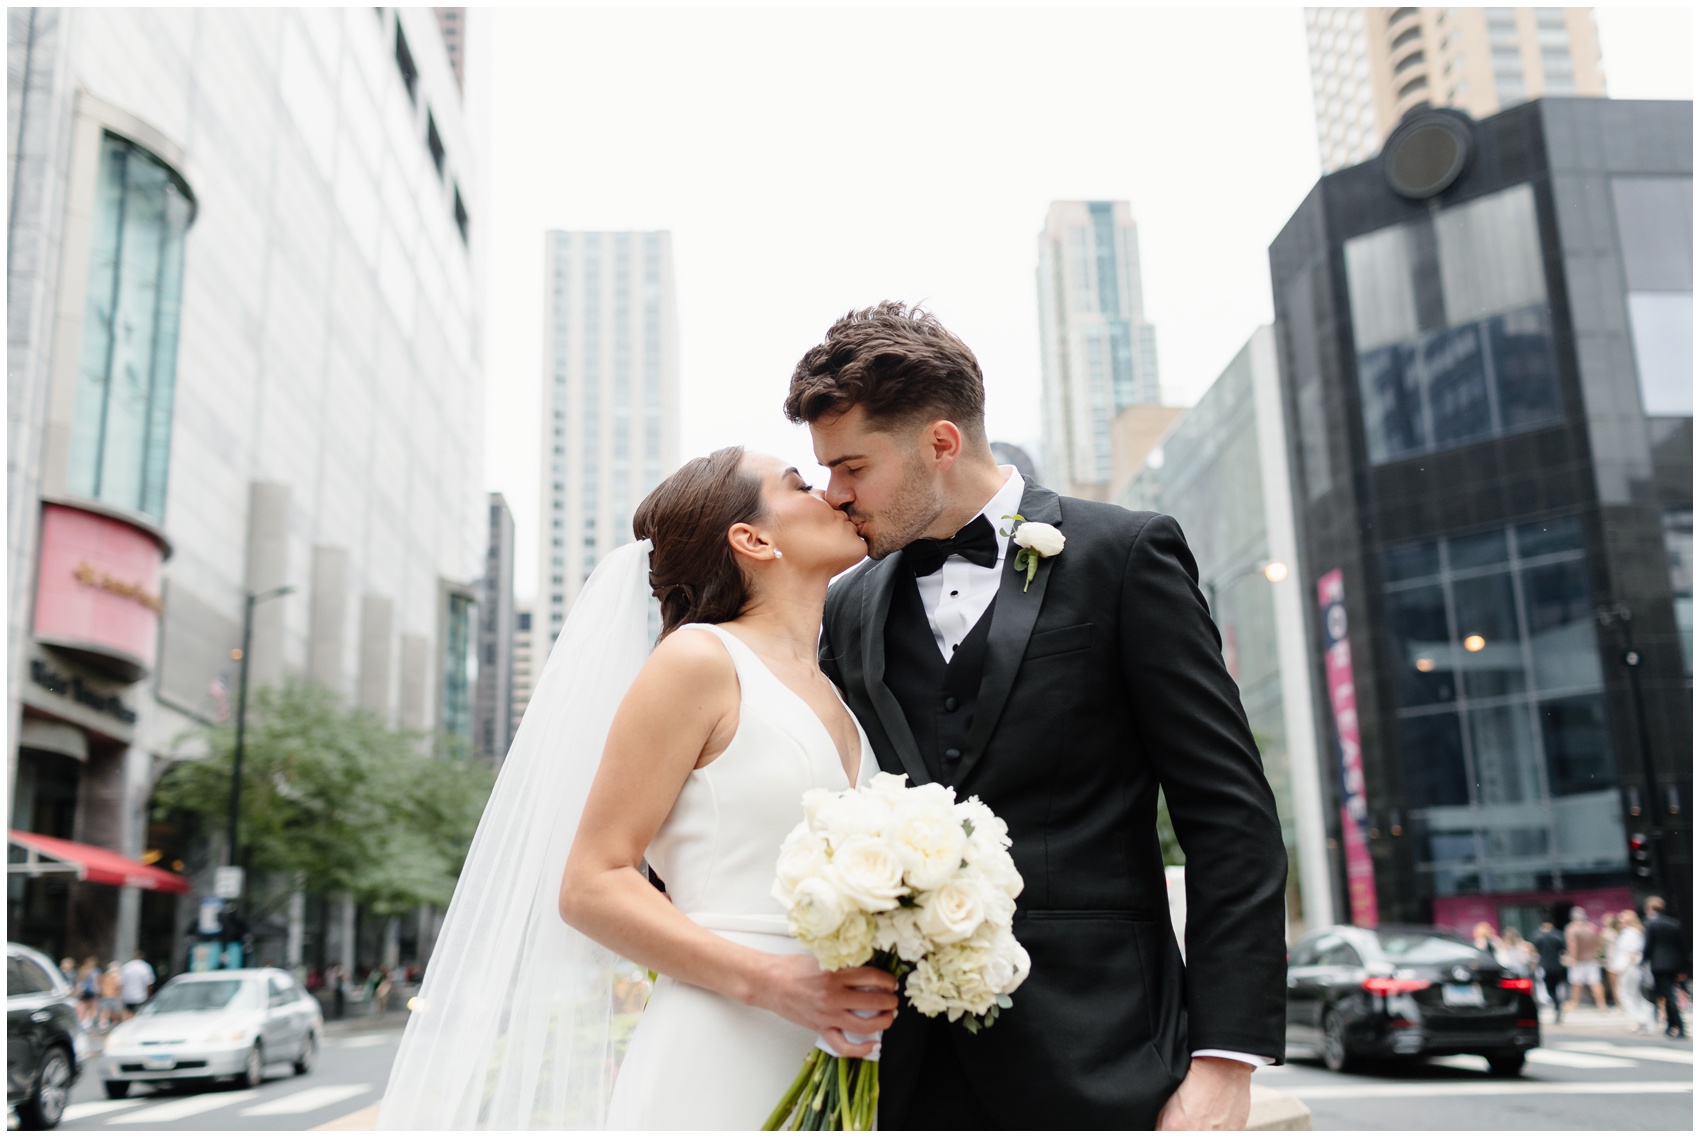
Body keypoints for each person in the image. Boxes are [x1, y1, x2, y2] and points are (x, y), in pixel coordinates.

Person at [788, 303, 1289, 1130]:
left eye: (852, 467)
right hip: (904, 1075)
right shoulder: (846, 606)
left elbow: (1230, 816)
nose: (834, 496)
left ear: (941, 444)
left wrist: (1225, 1061)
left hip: (1110, 1057)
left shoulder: (1124, 557)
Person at [379, 446, 895, 1129]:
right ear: (752, 538)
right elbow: (591, 884)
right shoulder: (698, 660)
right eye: (800, 483)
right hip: (721, 1043)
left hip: (837, 1047)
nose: (832, 495)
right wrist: (774, 982)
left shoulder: (839, 686)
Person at [1643, 897, 1688, 1038]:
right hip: (1674, 964)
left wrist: (1643, 961)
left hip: (1659, 965)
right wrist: (1683, 968)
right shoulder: (1673, 923)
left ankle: (1679, 1025)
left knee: (1667, 996)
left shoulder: (1651, 924)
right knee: (1668, 995)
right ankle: (1671, 1025)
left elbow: (1648, 946)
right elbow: (1682, 947)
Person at [1565, 907, 1607, 1013]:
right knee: (1595, 982)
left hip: (1579, 960)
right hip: (1592, 958)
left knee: (1576, 983)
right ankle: (1602, 1004)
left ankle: (1574, 1003)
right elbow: (1599, 942)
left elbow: (1573, 945)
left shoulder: (1572, 929)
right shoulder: (1591, 927)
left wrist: (1572, 958)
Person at [1611, 910, 1648, 1032]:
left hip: (1629, 968)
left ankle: (1640, 1019)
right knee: (1633, 994)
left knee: (1626, 994)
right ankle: (1641, 1020)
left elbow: (1633, 952)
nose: (1619, 922)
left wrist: (1624, 967)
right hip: (1629, 967)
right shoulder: (1630, 933)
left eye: (1622, 919)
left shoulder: (1631, 933)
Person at [1533, 921, 1568, 1021]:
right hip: (1557, 965)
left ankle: (1556, 1003)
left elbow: (1535, 949)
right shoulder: (1558, 935)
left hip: (1545, 966)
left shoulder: (1539, 936)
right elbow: (1563, 949)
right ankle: (1558, 1003)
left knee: (1549, 988)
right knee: (1558, 987)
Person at [118, 950, 155, 1020]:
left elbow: (121, 982)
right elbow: (149, 983)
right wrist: (149, 994)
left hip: (127, 996)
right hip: (140, 996)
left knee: (127, 1013)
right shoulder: (145, 967)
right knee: (138, 1015)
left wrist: (120, 994)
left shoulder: (126, 967)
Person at [1599, 912, 1619, 1007]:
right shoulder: (1617, 932)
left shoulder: (1606, 932)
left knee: (1614, 984)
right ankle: (1618, 1002)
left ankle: (1618, 1003)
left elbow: (1600, 947)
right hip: (1615, 959)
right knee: (1617, 984)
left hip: (1611, 959)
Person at [75, 957, 100, 1028]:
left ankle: (88, 1019)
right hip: (86, 990)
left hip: (91, 990)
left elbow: (97, 981)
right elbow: (80, 980)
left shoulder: (95, 971)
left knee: (90, 1005)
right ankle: (85, 1019)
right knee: (85, 1005)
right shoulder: (85, 970)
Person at [97, 961, 123, 1030]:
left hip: (112, 996)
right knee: (106, 1010)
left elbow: (118, 987)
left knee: (113, 1011)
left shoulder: (116, 977)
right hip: (107, 995)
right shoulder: (107, 976)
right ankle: (104, 1023)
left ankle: (112, 1023)